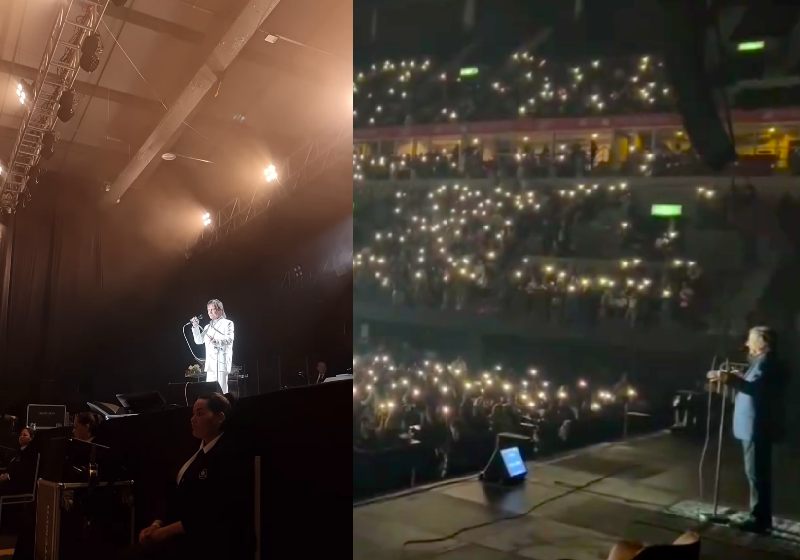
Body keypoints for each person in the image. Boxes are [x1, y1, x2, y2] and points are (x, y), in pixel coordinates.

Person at [126, 393, 254, 559]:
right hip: (179, 535)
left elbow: (213, 513)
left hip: (208, 542)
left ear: (219, 417)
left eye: (200, 414)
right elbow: (175, 495)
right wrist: (157, 523)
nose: (193, 419)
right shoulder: (192, 450)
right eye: (193, 414)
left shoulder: (230, 455)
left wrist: (164, 532)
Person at [707, 326, 784, 533]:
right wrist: (738, 376)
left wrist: (730, 379)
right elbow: (754, 384)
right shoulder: (760, 363)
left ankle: (759, 519)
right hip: (753, 427)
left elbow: (756, 389)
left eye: (750, 340)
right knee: (756, 473)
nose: (747, 344)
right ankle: (759, 516)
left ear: (762, 342)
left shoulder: (767, 363)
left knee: (756, 474)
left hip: (756, 427)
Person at [191, 299, 235, 394]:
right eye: (208, 310)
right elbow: (198, 341)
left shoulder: (228, 323)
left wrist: (216, 341)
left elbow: (229, 339)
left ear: (220, 310)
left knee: (221, 391)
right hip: (211, 364)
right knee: (210, 392)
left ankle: (224, 408)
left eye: (212, 309)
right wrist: (195, 327)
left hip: (221, 362)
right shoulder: (207, 327)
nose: (209, 312)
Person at [0, 427, 38, 496]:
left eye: (25, 435)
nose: (21, 437)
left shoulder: (31, 453)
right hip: (9, 482)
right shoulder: (17, 451)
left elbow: (25, 471)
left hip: (19, 485)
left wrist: (8, 476)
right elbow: (11, 466)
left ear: (31, 438)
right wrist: (4, 474)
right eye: (20, 434)